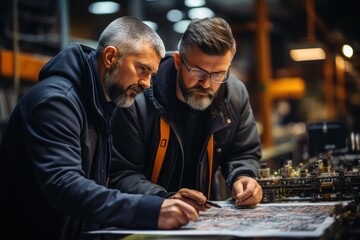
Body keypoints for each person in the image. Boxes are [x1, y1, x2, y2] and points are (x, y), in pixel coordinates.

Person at [0, 16, 199, 240]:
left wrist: (163, 200)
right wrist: (149, 210)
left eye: (151, 74)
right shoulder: (57, 102)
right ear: (110, 57)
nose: (147, 83)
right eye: (142, 69)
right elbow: (64, 185)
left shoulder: (101, 104)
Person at [109, 17, 263, 211]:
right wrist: (165, 199)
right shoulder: (137, 99)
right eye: (198, 72)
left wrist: (243, 176)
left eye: (218, 74)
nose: (206, 83)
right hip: (149, 215)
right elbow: (122, 173)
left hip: (206, 216)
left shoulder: (234, 95)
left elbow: (243, 153)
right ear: (177, 61)